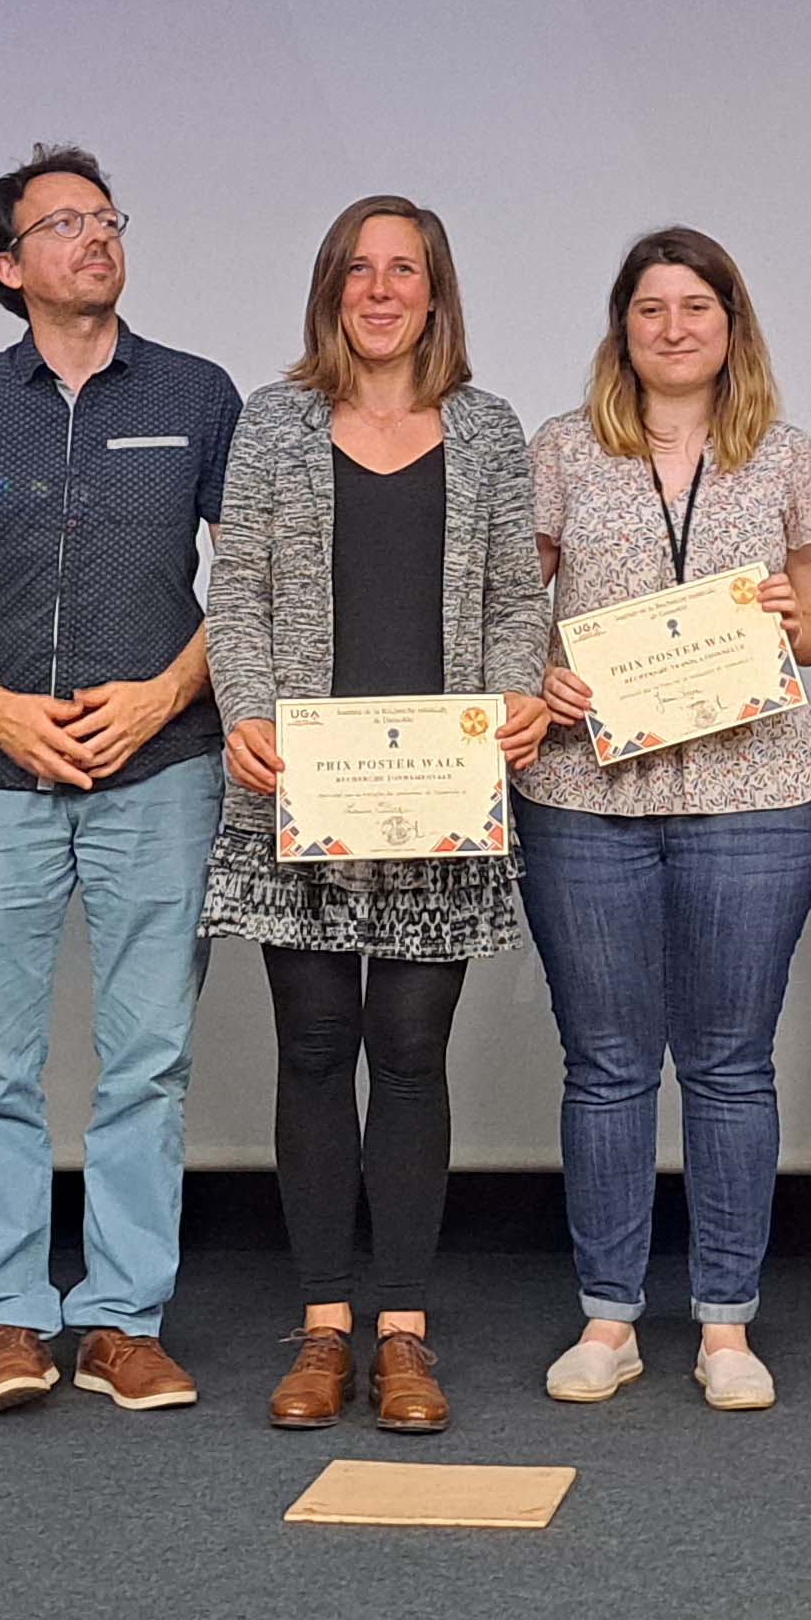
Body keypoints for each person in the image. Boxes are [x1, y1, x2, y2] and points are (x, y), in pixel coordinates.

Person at [0, 145, 238, 1420]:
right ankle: (5, 1316)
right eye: (62, 223)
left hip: (163, 770)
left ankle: (120, 1318)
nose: (94, 238)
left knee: (147, 1062)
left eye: (105, 218)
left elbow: (247, 585)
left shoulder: (199, 394)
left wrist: (157, 698)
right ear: (8, 266)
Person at [204, 196, 551, 1436]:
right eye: (359, 269)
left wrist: (518, 693)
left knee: (408, 1056)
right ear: (330, 289)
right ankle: (319, 1328)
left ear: (436, 289)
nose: (381, 288)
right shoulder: (273, 421)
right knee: (310, 1049)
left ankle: (401, 1331)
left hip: (441, 794)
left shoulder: (490, 429)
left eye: (404, 269)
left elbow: (519, 589)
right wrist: (245, 710)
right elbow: (233, 586)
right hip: (300, 783)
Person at [522, 229, 811, 1411]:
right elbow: (518, 600)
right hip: (584, 794)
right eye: (650, 308)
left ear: (730, 324)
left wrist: (782, 614)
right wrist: (538, 678)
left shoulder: (785, 452)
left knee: (727, 1064)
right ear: (622, 326)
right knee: (605, 1067)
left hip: (754, 792)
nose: (672, 327)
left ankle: (724, 1325)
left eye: (695, 306)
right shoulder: (561, 448)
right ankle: (608, 1318)